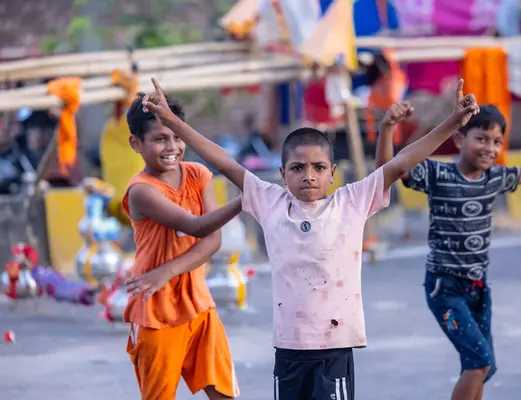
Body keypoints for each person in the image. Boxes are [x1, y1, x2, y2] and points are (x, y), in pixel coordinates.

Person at [141, 77, 479, 400]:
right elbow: (222, 160)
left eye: (319, 167)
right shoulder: (270, 201)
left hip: (334, 346)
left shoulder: (352, 201)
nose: (309, 176)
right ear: (283, 175)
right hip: (289, 347)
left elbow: (404, 159)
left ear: (333, 174)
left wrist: (453, 123)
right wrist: (172, 121)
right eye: (298, 168)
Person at [377, 104, 521, 400]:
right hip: (445, 287)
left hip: (477, 287)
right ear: (460, 140)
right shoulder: (438, 173)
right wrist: (387, 128)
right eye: (482, 138)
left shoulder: (493, 179)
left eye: (497, 141)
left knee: (481, 366)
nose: (490, 148)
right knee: (479, 362)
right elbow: (389, 168)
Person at [121, 93, 242, 400]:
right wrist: (246, 198)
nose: (172, 147)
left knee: (224, 392)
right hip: (155, 310)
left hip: (198, 303)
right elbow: (197, 227)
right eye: (160, 139)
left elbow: (213, 239)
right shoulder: (141, 192)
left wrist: (168, 270)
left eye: (177, 136)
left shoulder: (198, 174)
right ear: (136, 144)